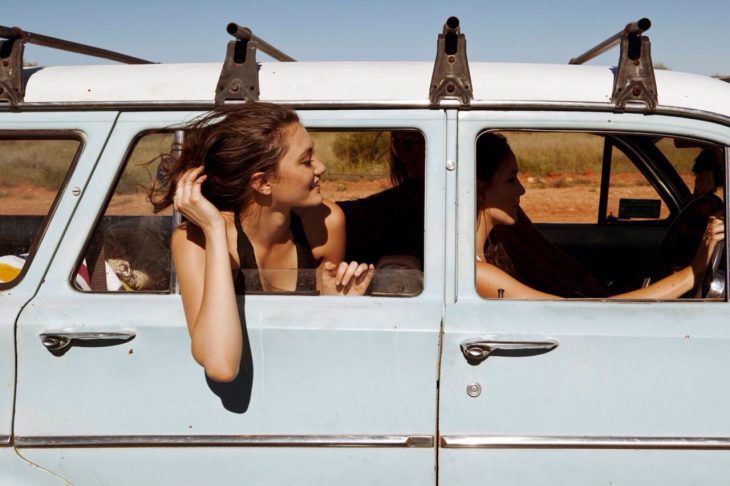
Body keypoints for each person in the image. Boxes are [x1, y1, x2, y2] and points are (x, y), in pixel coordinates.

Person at [152, 103, 374, 383]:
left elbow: (319, 340)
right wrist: (214, 229)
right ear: (262, 183)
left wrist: (336, 308)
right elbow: (221, 365)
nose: (321, 167)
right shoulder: (194, 240)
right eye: (306, 161)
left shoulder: (326, 223)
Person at [475, 133, 724, 300]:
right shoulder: (477, 274)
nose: (521, 189)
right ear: (477, 188)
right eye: (510, 179)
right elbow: (577, 314)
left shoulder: (495, 248)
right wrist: (694, 271)